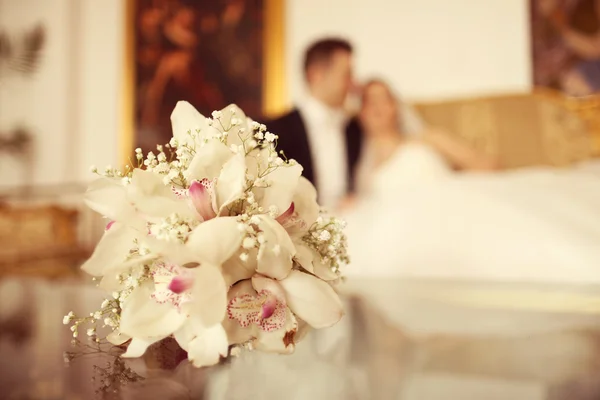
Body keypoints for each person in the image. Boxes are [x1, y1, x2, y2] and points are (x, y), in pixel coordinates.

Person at [350, 79, 499, 200]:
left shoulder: (428, 138)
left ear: (396, 107)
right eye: (370, 101)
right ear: (361, 113)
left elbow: (488, 165)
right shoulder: (357, 163)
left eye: (385, 99)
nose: (378, 107)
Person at [267, 38, 362, 210]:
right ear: (316, 74)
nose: (353, 84)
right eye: (346, 75)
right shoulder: (274, 131)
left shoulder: (356, 129)